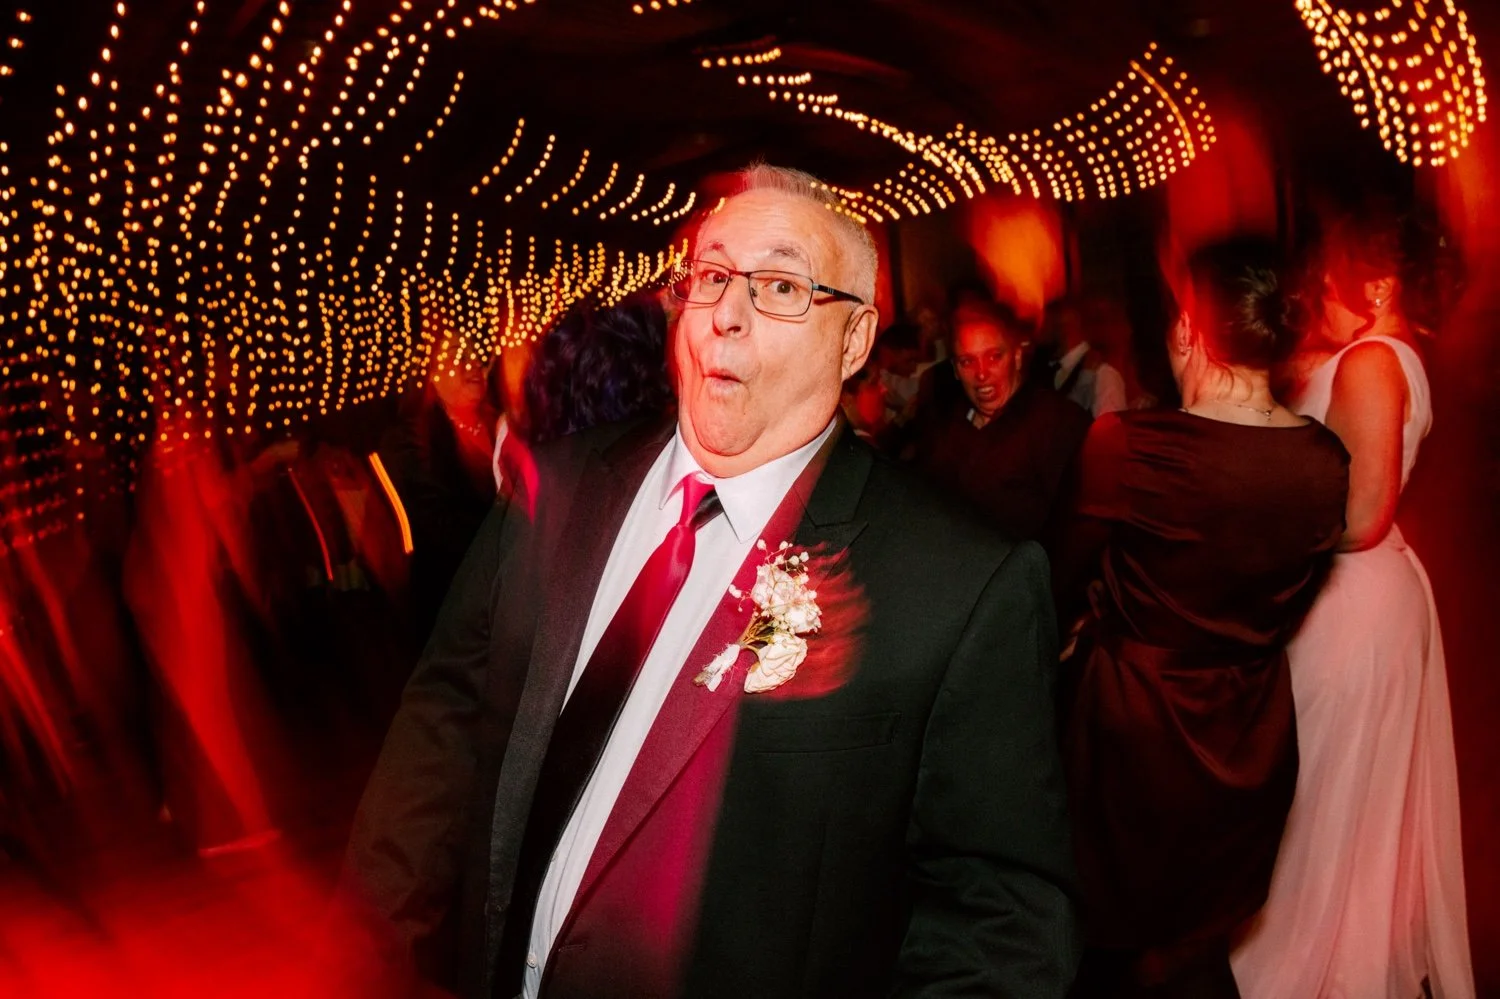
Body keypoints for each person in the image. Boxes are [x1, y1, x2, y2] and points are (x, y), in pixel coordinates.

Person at [339, 163, 1078, 999]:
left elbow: (1000, 926)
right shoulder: (559, 487)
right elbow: (440, 733)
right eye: (713, 275)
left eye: (779, 287)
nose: (726, 313)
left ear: (856, 338)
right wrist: (371, 961)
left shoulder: (958, 586)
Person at [1053, 238, 1349, 997]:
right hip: (1250, 731)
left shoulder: (1129, 445)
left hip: (1138, 732)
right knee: (1195, 945)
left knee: (1117, 947)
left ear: (1190, 329)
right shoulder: (1325, 460)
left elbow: (1062, 577)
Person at [1231, 219, 1475, 998]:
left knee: (1332, 791)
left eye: (1329, 285)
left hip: (1356, 607)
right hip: (1370, 602)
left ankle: (1320, 966)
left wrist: (1268, 532)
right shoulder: (1384, 357)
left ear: (1378, 289)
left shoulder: (1373, 359)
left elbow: (1363, 513)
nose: (1316, 299)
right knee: (1350, 796)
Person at [914, 296, 1090, 543]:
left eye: (994, 357)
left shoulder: (1058, 424)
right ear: (955, 369)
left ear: (1017, 357)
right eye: (968, 361)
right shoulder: (945, 428)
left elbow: (1081, 530)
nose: (982, 373)